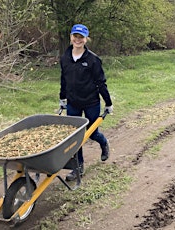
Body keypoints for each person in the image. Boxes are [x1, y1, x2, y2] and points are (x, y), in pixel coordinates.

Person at [59, 24, 113, 181]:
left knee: (92, 132)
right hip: (73, 103)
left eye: (81, 37)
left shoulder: (93, 60)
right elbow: (64, 80)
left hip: (91, 102)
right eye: (75, 36)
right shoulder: (65, 58)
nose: (78, 40)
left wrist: (108, 103)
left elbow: (101, 83)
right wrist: (63, 98)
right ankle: (78, 167)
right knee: (75, 136)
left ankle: (103, 143)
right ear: (71, 37)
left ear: (86, 39)